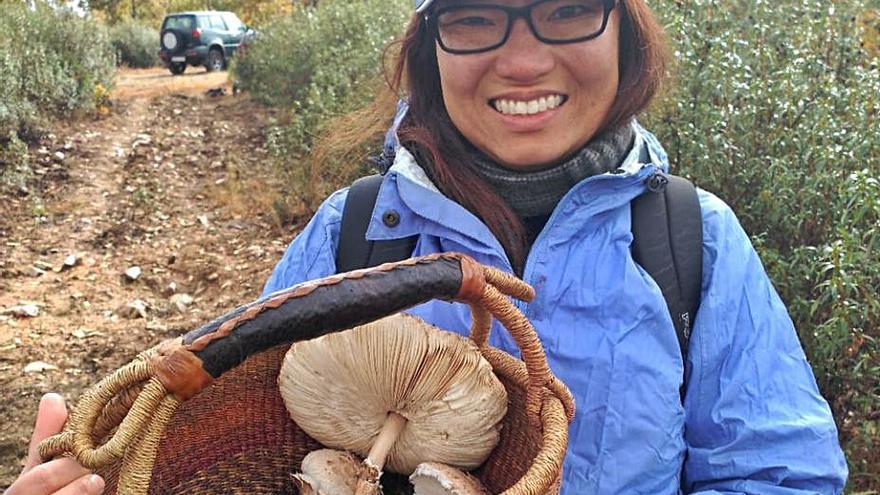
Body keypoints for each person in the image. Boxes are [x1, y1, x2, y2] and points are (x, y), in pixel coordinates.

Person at [7, 0, 847, 494]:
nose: (523, 59)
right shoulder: (353, 228)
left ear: (625, 33)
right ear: (427, 49)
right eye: (475, 16)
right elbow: (247, 432)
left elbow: (779, 473)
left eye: (566, 8)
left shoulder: (692, 240)